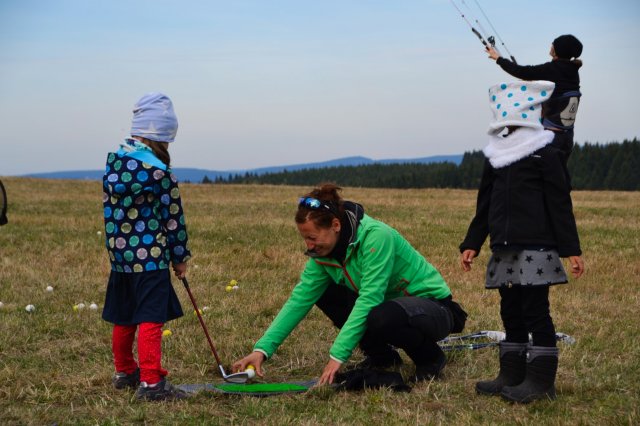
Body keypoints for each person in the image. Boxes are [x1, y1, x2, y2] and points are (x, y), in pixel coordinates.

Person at [232, 183, 467, 385]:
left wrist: (337, 357)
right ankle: (382, 357)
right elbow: (299, 300)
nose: (309, 246)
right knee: (324, 293)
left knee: (380, 315)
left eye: (312, 237)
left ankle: (430, 358)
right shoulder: (323, 254)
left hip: (435, 308)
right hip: (388, 307)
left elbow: (370, 298)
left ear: (335, 225)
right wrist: (262, 350)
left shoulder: (376, 237)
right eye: (305, 238)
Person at [459, 80, 585, 403]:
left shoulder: (546, 152)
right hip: (503, 247)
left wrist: (571, 249)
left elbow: (559, 203)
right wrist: (473, 241)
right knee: (510, 308)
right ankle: (511, 374)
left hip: (537, 246)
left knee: (535, 310)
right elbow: (485, 203)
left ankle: (541, 382)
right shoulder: (496, 156)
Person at [102, 92, 191, 401]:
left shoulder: (114, 163)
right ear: (162, 136)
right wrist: (179, 257)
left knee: (123, 314)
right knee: (150, 317)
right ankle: (151, 383)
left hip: (121, 258)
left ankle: (125, 371)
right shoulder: (160, 173)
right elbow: (172, 218)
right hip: (151, 258)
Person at [486, 34, 583, 164]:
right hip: (567, 137)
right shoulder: (573, 72)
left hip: (549, 138)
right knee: (559, 177)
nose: (551, 45)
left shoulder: (552, 69)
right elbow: (556, 85)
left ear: (557, 50)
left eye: (553, 43)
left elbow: (521, 71)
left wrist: (498, 58)